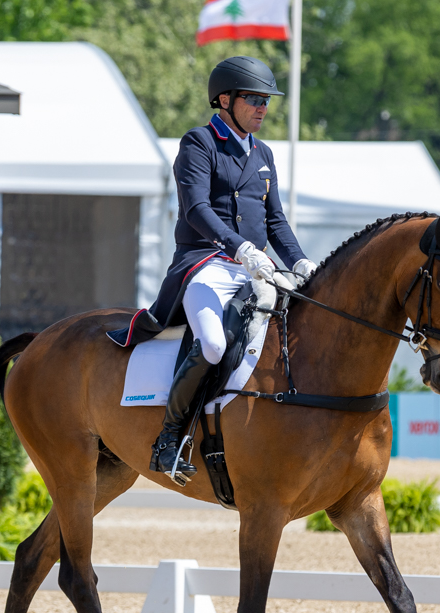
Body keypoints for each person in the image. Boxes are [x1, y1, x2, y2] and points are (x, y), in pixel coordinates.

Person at [105, 56, 316, 484]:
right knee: (215, 345)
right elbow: (197, 208)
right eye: (254, 99)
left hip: (255, 269)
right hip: (205, 265)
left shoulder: (264, 154)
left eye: (267, 101)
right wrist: (241, 248)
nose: (263, 108)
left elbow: (274, 220)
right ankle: (168, 440)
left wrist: (300, 261)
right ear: (225, 99)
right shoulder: (198, 143)